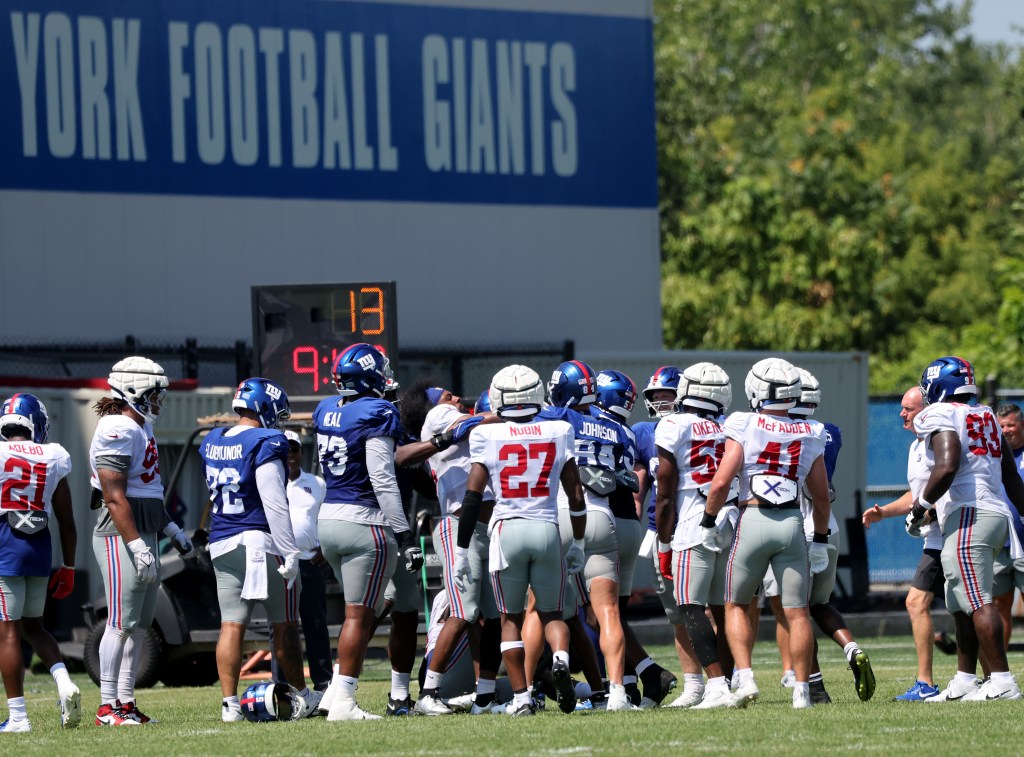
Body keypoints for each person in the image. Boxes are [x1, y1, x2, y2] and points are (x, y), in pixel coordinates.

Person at [454, 364, 587, 717]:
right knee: (552, 613)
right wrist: (579, 543)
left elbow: (472, 498)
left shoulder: (487, 435)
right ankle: (559, 658)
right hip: (546, 528)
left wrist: (461, 549)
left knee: (510, 618)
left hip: (507, 531)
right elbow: (576, 496)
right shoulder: (558, 430)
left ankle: (521, 699)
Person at [703, 357, 832, 710]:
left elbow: (721, 482)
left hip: (753, 518)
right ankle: (802, 691)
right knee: (797, 612)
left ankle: (745, 678)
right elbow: (821, 497)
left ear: (756, 389)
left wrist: (708, 522)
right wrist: (820, 540)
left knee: (735, 604)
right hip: (791, 523)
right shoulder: (812, 431)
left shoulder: (743, 422)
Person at [313, 343, 422, 721]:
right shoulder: (379, 411)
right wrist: (404, 534)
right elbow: (382, 479)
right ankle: (342, 700)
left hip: (328, 519)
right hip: (365, 522)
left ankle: (332, 695)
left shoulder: (326, 408)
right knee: (358, 617)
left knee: (359, 612)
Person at [906, 356, 1024, 701]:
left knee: (976, 600)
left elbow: (946, 465)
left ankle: (1002, 681)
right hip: (994, 513)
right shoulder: (985, 414)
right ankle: (964, 680)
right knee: (959, 601)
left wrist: (920, 507)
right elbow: (1009, 476)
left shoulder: (937, 414)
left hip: (970, 513)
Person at [201, 378, 315, 722]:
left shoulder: (212, 440)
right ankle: (301, 696)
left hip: (221, 541)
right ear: (265, 408)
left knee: (231, 626)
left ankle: (229, 705)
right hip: (259, 543)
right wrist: (290, 551)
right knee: (284, 623)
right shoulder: (267, 440)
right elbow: (274, 502)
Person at [90, 356, 192, 726]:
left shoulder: (139, 427)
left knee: (138, 623)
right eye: (154, 393)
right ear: (133, 390)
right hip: (119, 532)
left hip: (141, 529)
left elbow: (147, 491)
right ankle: (106, 707)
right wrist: (134, 543)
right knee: (119, 621)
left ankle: (126, 702)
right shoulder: (117, 426)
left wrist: (171, 531)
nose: (158, 401)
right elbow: (114, 495)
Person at [784, 368, 874, 704]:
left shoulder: (780, 431)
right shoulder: (829, 431)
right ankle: (852, 648)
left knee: (795, 612)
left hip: (796, 530)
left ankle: (816, 686)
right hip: (827, 529)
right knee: (819, 604)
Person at [414, 386, 502, 716]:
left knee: (493, 616)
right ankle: (428, 692)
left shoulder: (470, 422)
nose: (455, 399)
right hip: (457, 529)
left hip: (488, 529)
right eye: (447, 396)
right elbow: (465, 426)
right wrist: (514, 413)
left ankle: (486, 695)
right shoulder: (439, 417)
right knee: (464, 611)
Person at [654, 362, 737, 710]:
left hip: (692, 522)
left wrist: (663, 542)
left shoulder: (672, 423)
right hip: (728, 520)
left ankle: (717, 686)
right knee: (722, 609)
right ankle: (729, 682)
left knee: (690, 607)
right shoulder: (729, 426)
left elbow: (665, 492)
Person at [0, 394, 80, 732]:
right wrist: (69, 567)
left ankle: (18, 717)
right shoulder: (54, 455)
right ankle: (64, 683)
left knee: (7, 635)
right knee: (34, 628)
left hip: (5, 546)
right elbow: (66, 519)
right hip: (40, 549)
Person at [862, 385, 945, 700]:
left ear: (926, 410)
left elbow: (949, 482)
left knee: (919, 602)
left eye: (908, 408)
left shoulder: (939, 442)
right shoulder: (916, 447)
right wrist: (884, 512)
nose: (901, 414)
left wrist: (931, 513)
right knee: (960, 608)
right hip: (936, 539)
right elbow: (917, 494)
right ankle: (977, 677)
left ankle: (929, 683)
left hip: (950, 535)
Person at [634, 366, 705, 708]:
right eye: (656, 395)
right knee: (677, 614)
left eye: (668, 393)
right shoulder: (642, 431)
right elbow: (640, 486)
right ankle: (694, 684)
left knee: (708, 609)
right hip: (658, 530)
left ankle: (726, 677)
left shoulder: (697, 428)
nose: (662, 400)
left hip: (696, 526)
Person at [268, 430, 331, 696]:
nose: (290, 455)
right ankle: (283, 686)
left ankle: (324, 685)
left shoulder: (317, 483)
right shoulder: (268, 481)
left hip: (310, 562)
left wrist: (326, 549)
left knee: (315, 624)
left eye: (293, 449)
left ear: (300, 452)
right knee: (282, 626)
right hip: (281, 563)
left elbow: (328, 518)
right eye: (284, 450)